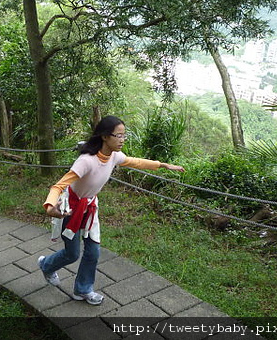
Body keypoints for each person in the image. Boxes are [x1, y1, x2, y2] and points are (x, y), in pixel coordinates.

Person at [38, 115, 185, 305]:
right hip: (70, 208)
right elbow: (58, 187)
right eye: (119, 136)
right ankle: (46, 264)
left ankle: (83, 290)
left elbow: (135, 162)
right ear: (105, 136)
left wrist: (162, 165)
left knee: (93, 252)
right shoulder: (86, 161)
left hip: (90, 207)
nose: (122, 140)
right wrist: (50, 207)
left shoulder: (114, 156)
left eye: (124, 135)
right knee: (72, 254)